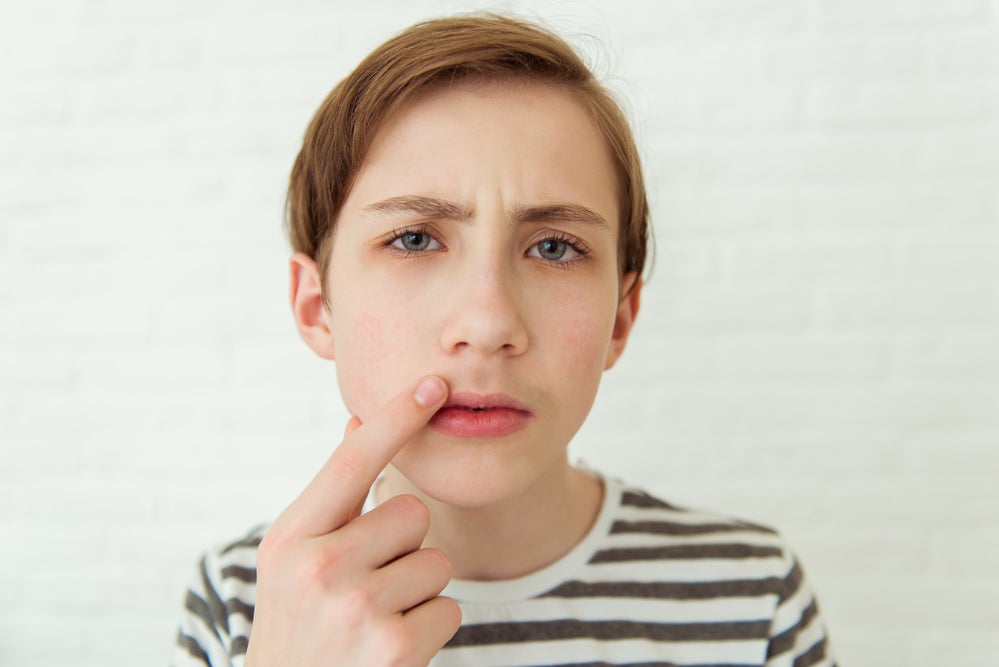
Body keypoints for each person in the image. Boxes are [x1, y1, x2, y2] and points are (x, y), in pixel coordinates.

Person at [172, 13, 836, 667]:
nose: (488, 323)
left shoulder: (752, 594)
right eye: (414, 238)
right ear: (317, 307)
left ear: (619, 318)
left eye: (553, 247)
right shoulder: (247, 602)